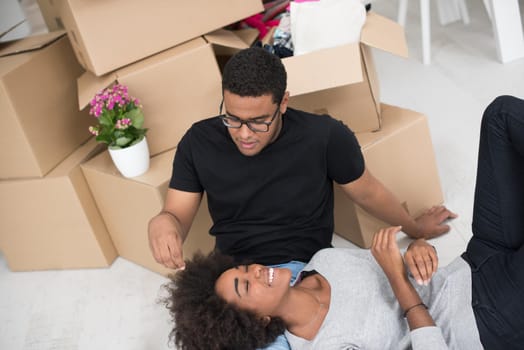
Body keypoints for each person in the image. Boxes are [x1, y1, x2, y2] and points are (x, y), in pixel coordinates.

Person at [150, 47, 455, 349]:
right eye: (232, 119)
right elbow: (175, 213)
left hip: (303, 271)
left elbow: (368, 191)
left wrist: (415, 229)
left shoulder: (324, 136)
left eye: (258, 121)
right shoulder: (198, 142)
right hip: (237, 283)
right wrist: (163, 223)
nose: (244, 134)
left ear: (283, 102)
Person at [163, 95, 524, 350]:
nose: (257, 269)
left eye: (244, 268)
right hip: (484, 322)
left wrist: (416, 249)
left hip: (473, 265)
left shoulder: (324, 261)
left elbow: (407, 268)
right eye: (246, 285)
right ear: (256, 321)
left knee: (502, 116)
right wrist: (399, 280)